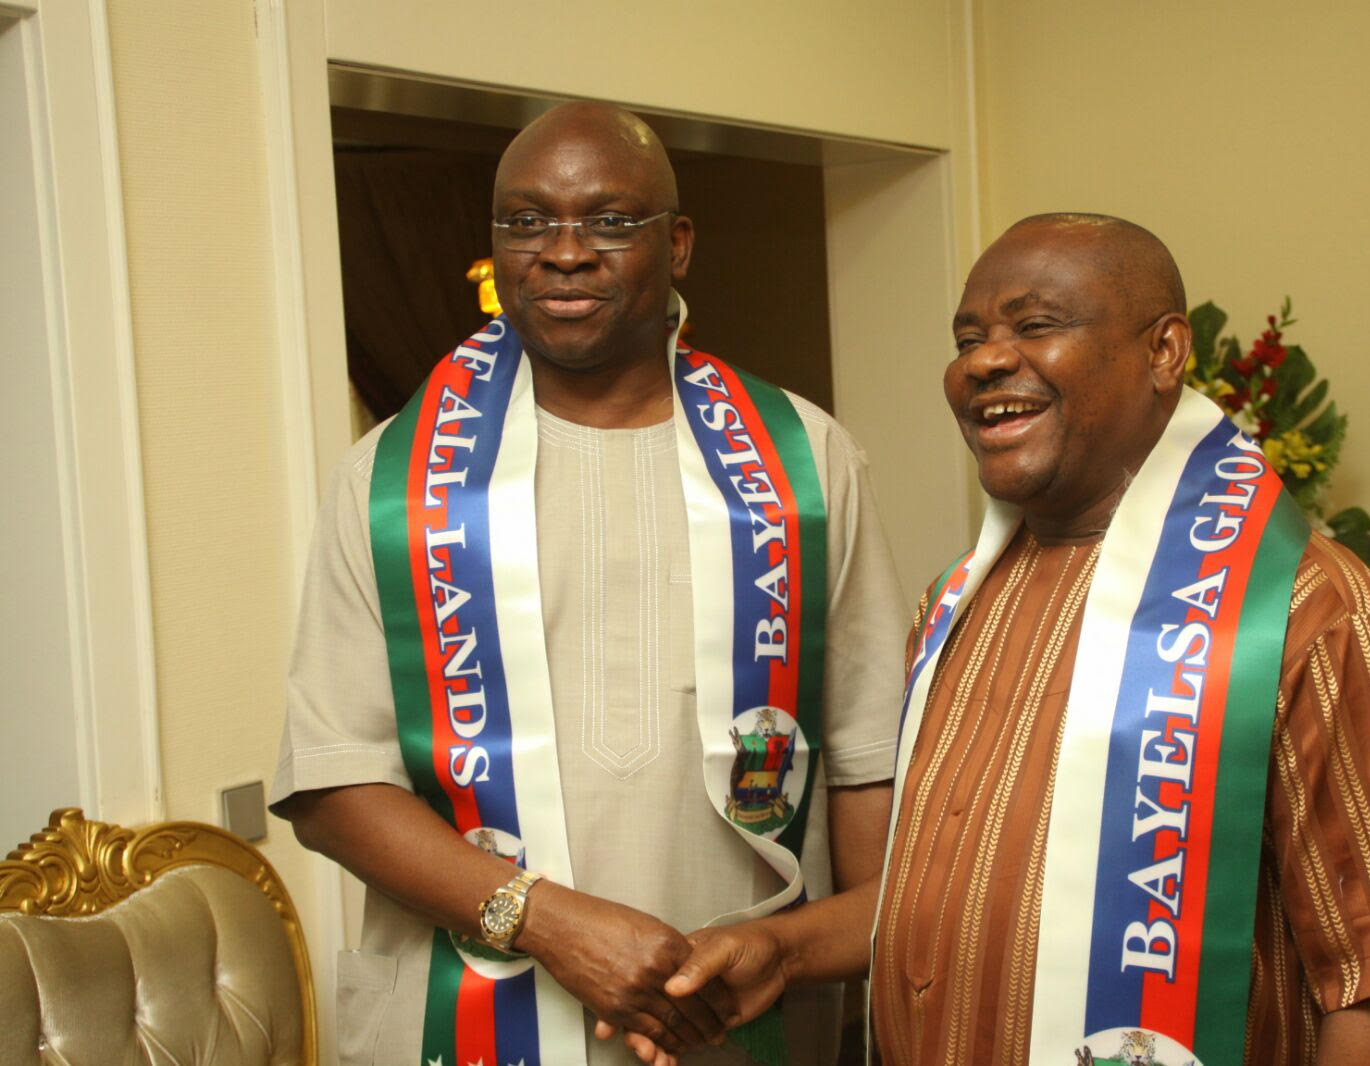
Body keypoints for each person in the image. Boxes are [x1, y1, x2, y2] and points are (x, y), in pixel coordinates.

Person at [268, 101, 905, 1066]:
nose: (564, 253)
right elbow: (331, 780)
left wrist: (832, 960)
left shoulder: (804, 462)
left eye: (609, 221)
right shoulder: (393, 483)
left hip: (738, 1025)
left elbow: (867, 761)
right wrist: (550, 923)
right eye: (527, 221)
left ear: (677, 244)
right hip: (465, 1017)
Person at [866, 214, 1370, 1065]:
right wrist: (778, 949)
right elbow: (953, 898)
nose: (983, 361)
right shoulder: (953, 603)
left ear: (1163, 351)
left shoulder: (1306, 610)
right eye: (967, 339)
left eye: (1035, 325)